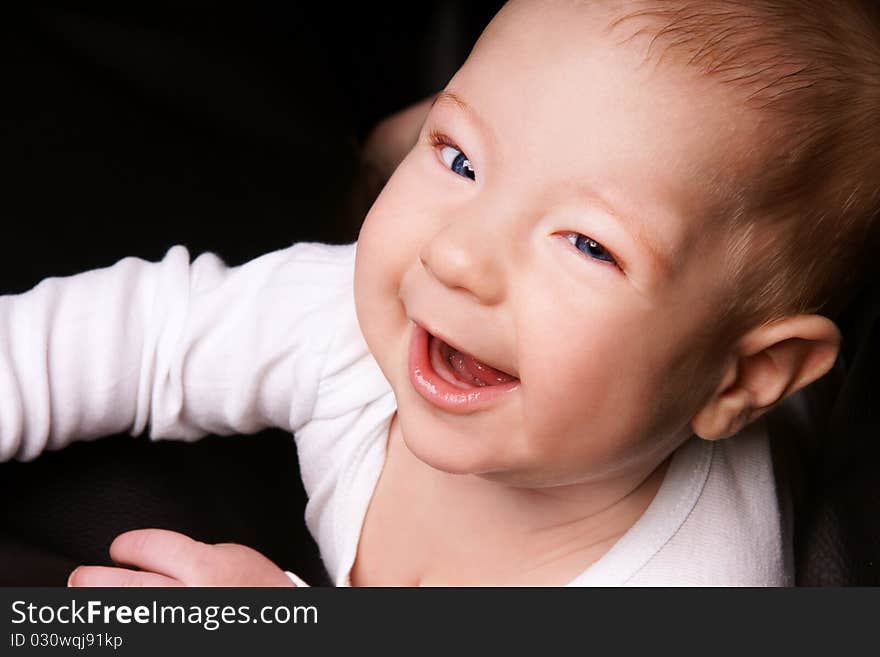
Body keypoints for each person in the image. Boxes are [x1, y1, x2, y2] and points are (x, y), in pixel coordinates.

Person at [1, 0, 878, 586]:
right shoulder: (380, 314)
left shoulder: (693, 585)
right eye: (458, 156)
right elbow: (144, 334)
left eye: (586, 243)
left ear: (738, 380)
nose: (459, 255)